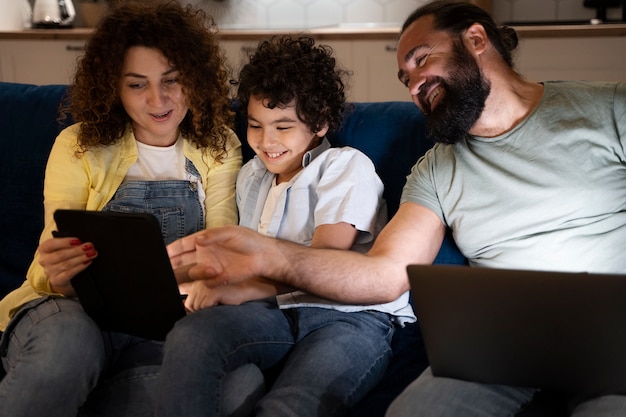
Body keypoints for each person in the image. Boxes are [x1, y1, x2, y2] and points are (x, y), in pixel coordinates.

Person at [163, 1, 626, 416]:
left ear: (477, 39)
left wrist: (266, 263)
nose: (414, 86)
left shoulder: (609, 109)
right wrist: (268, 256)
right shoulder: (436, 169)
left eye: (422, 60)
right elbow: (384, 275)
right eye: (405, 77)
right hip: (504, 348)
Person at [0, 3, 242, 417]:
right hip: (70, 310)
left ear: (195, 79)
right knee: (65, 352)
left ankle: (78, 392)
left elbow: (220, 258)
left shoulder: (220, 145)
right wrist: (59, 274)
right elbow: (45, 268)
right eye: (136, 84)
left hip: (166, 323)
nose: (158, 99)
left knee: (237, 389)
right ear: (113, 87)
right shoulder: (77, 144)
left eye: (172, 80)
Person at [155, 34, 414, 417]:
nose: (266, 142)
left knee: (289, 406)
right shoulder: (251, 176)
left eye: (283, 126)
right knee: (194, 337)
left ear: (321, 121)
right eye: (256, 125)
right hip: (276, 311)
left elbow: (325, 260)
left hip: (349, 318)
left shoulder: (344, 167)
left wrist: (240, 291)